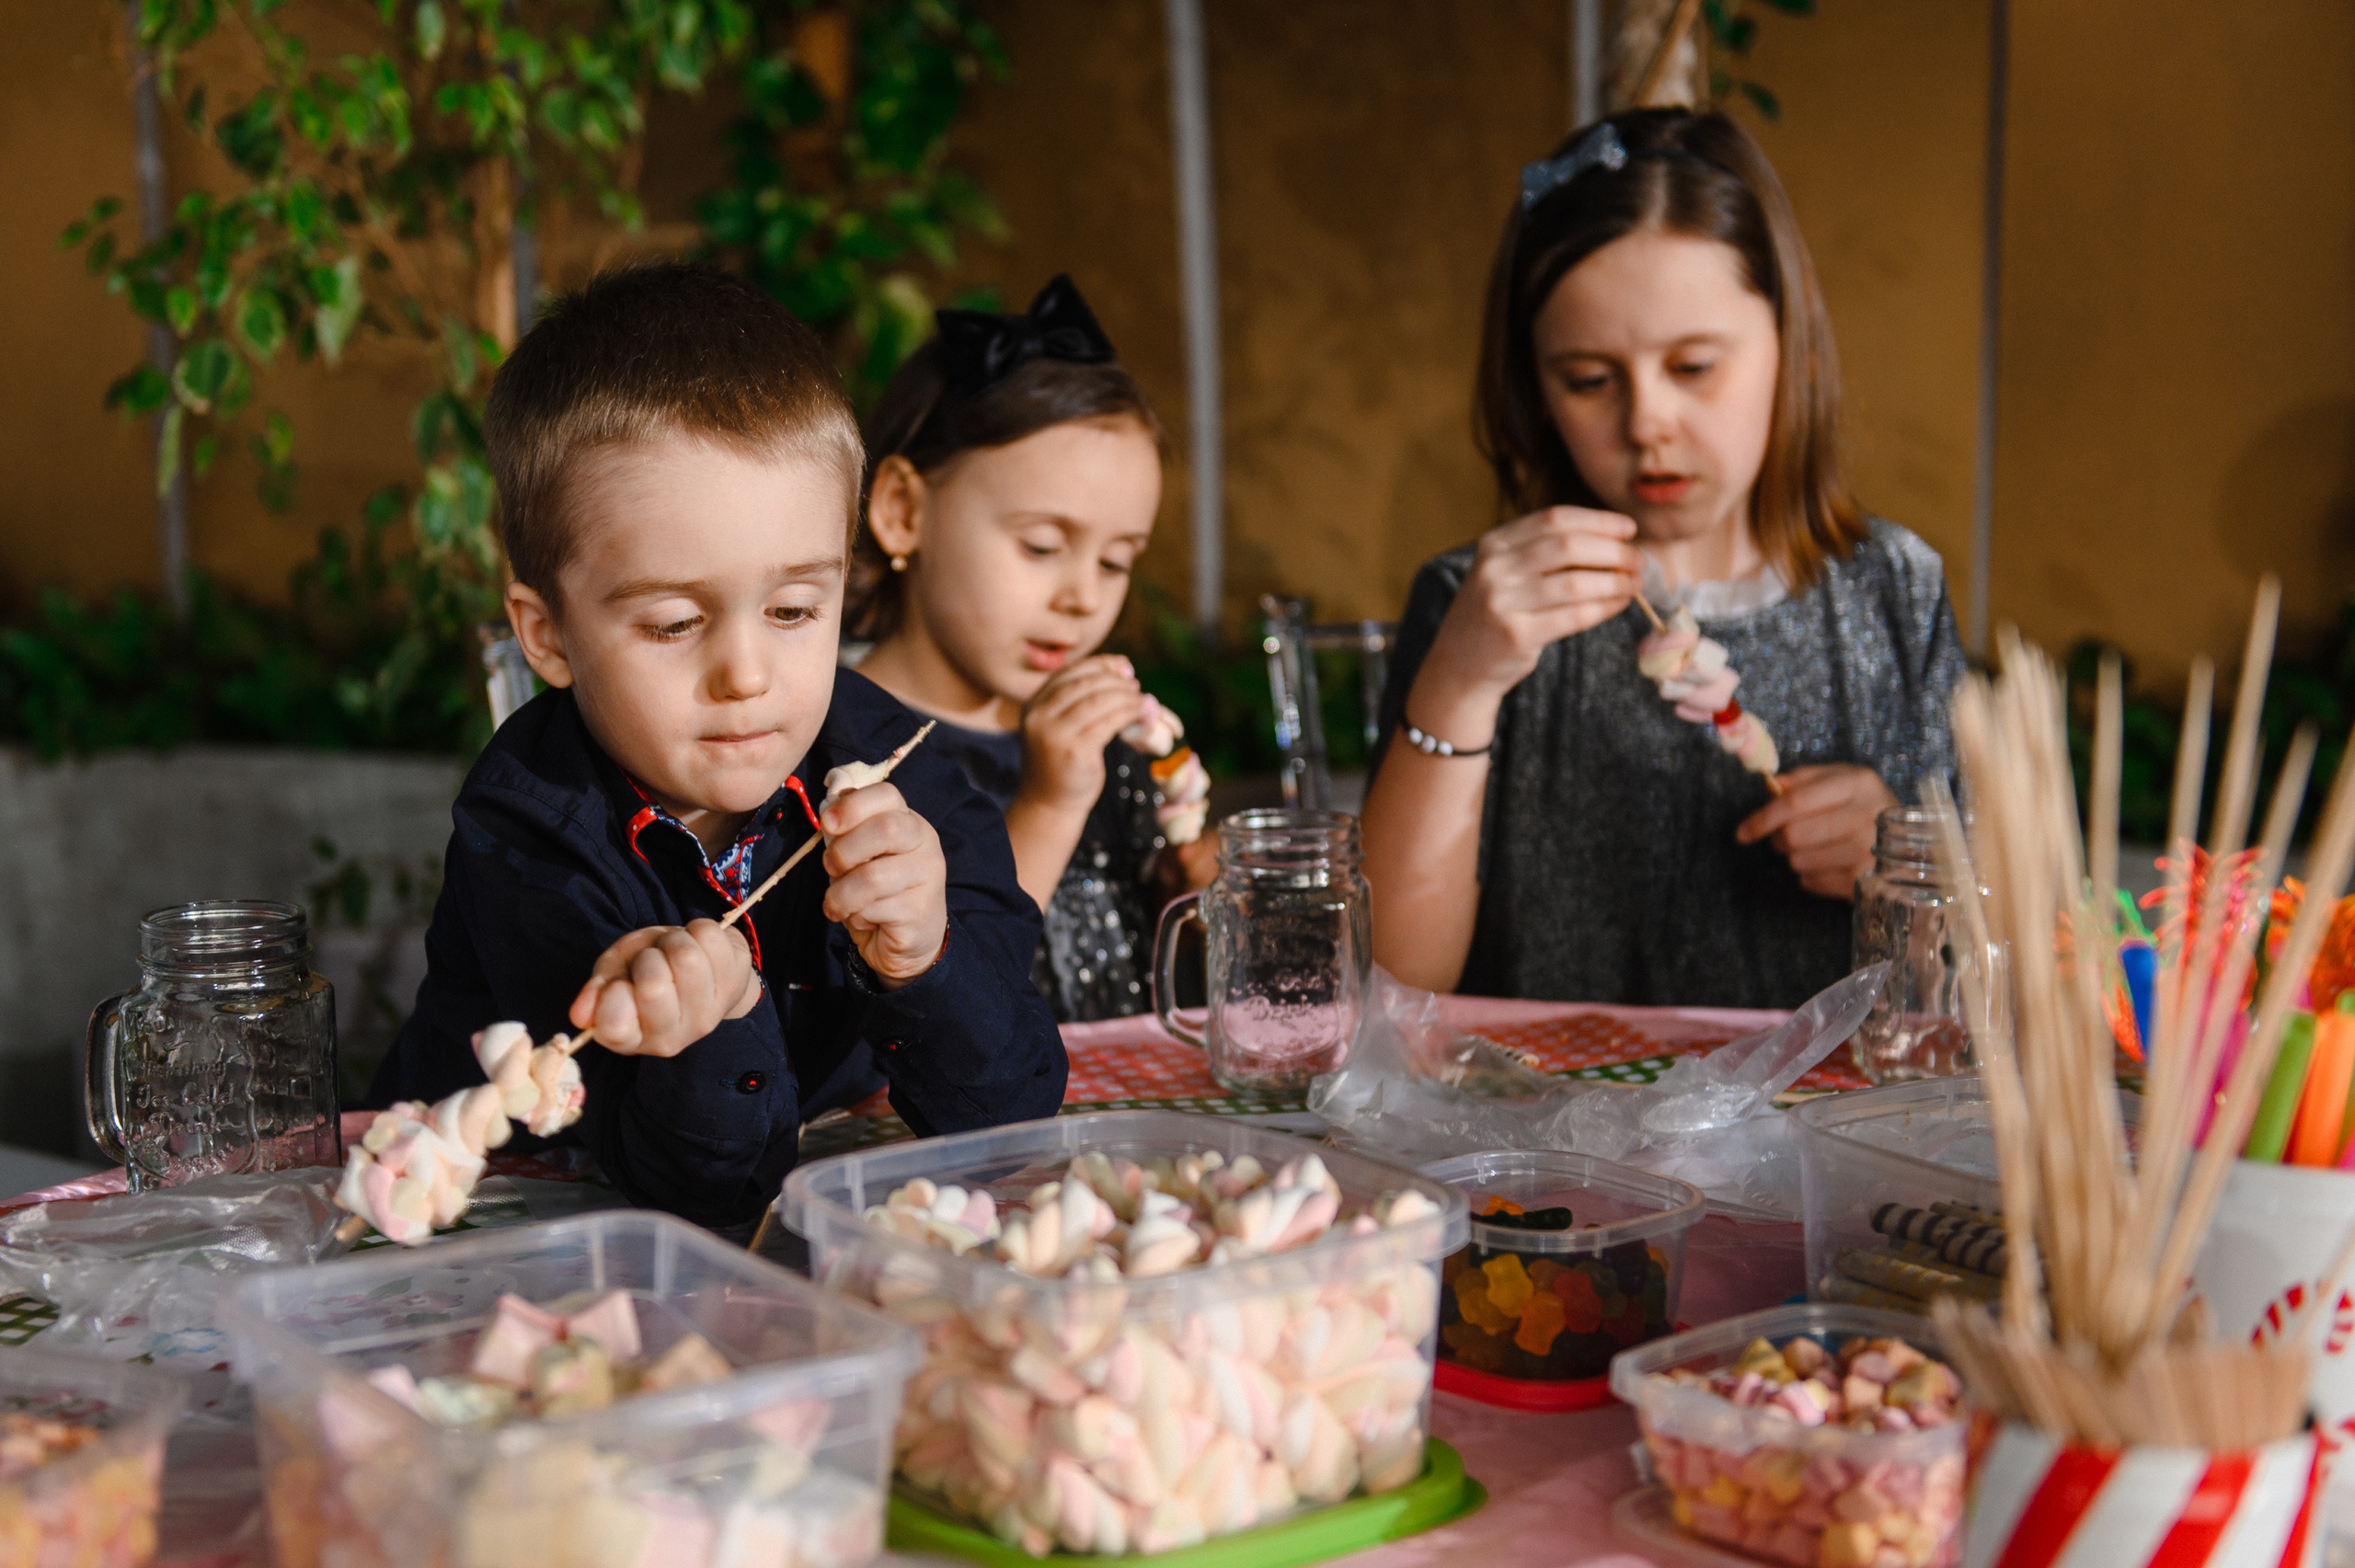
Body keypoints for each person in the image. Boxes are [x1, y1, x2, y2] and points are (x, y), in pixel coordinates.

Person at [369, 264, 1067, 1230]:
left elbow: (1012, 1115)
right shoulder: (528, 833)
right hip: (498, 1231)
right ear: (548, 636)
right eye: (671, 623)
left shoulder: (900, 774)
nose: (746, 673)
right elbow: (691, 1190)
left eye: (791, 609)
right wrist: (716, 1023)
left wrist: (926, 955)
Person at [1360, 109, 1967, 1009]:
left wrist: (1908, 860)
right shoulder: (1474, 604)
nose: (1646, 422)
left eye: (1692, 367)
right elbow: (1394, 976)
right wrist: (1460, 678)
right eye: (1590, 380)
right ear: (1534, 385)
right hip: (1541, 1132)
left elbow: (2000, 956)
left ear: (1788, 349)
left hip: (1824, 1137)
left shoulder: (1889, 590)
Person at [846, 276, 1214, 1022]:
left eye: (1115, 561)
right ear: (902, 510)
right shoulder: (836, 749)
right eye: (1043, 545)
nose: (1084, 596)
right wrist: (1048, 804)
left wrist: (1190, 895)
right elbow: (931, 998)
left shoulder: (1107, 747)